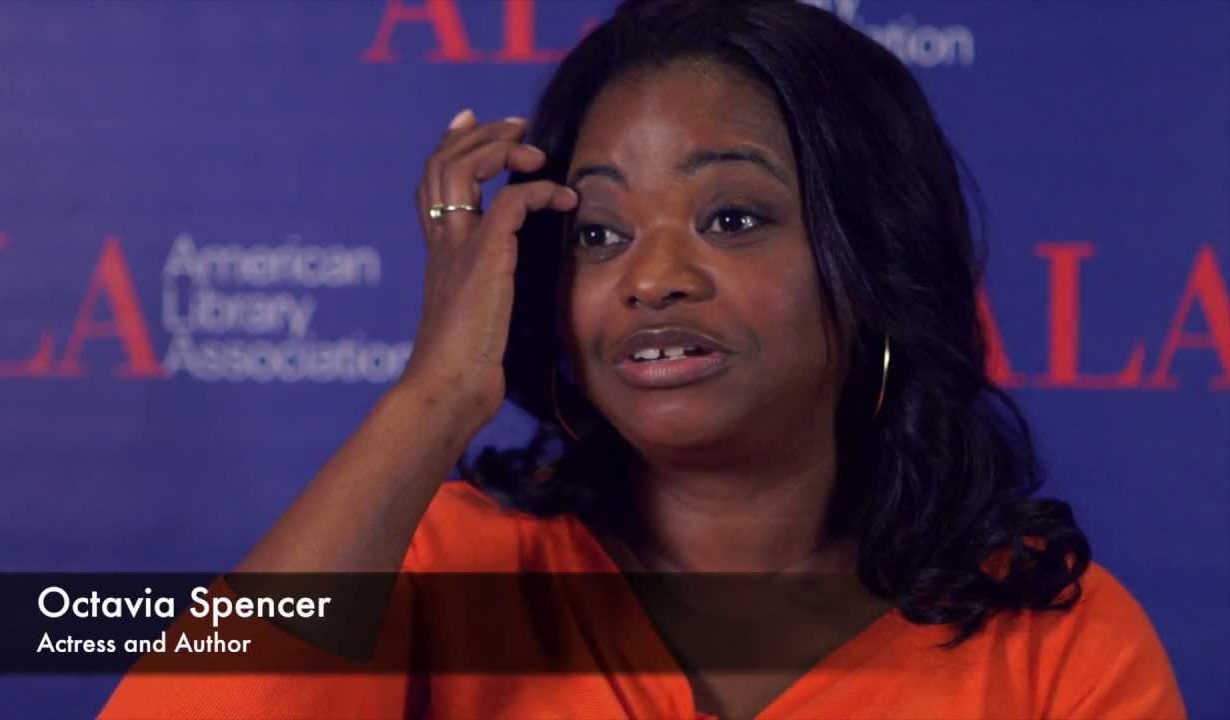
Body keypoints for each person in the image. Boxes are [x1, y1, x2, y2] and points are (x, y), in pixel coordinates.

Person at [100, 1, 1186, 718]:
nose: (648, 279)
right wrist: (433, 395)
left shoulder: (1050, 645)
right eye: (599, 234)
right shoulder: (442, 569)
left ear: (873, 258)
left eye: (730, 218)